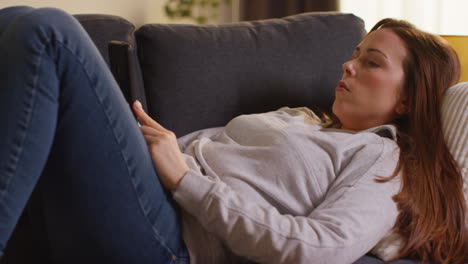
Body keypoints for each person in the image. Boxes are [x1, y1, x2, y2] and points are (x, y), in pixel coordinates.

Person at [0, 5, 465, 264]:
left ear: (407, 100)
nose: (349, 64)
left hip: (172, 235)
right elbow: (197, 151)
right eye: (356, 53)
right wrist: (133, 137)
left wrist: (185, 180)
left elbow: (319, 246)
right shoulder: (302, 117)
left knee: (49, 31)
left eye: (372, 63)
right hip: (147, 187)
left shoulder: (383, 160)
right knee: (13, 19)